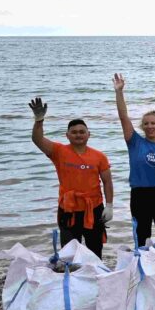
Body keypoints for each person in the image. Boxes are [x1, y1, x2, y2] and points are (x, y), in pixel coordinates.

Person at [28, 97, 114, 256]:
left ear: (89, 135)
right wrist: (39, 120)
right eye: (74, 132)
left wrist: (109, 206)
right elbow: (37, 139)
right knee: (69, 253)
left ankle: (95, 271)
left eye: (82, 132)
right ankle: (71, 271)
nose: (78, 135)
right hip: (68, 209)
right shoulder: (59, 151)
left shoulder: (99, 156)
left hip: (93, 208)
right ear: (67, 135)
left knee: (95, 251)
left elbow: (107, 181)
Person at [113, 74, 155, 246]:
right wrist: (119, 92)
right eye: (146, 123)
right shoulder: (135, 142)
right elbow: (123, 117)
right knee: (141, 235)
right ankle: (142, 261)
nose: (150, 126)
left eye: (153, 123)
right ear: (142, 126)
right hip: (140, 193)